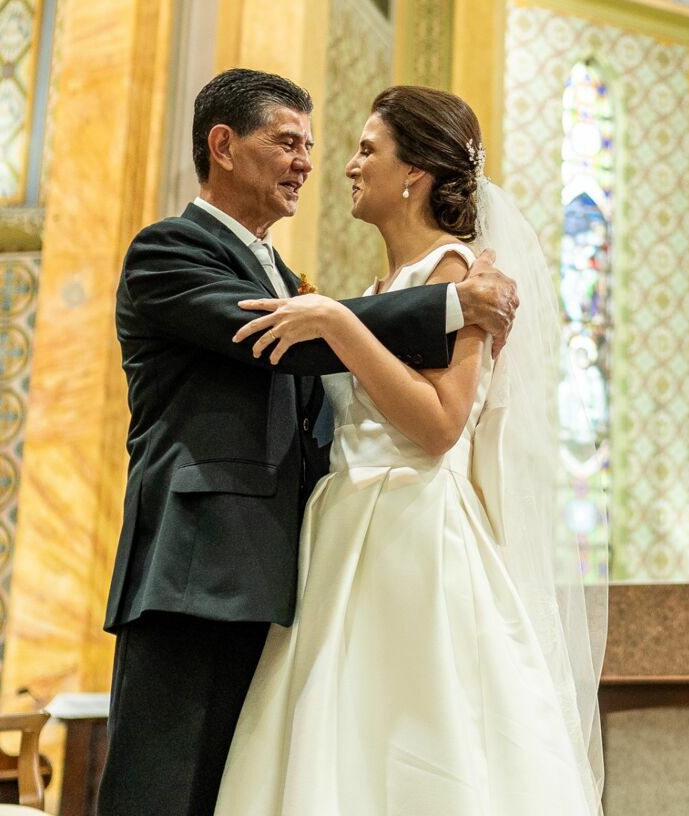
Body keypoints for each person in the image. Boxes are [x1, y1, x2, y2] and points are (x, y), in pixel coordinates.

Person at [95, 69, 522, 816]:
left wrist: (359, 315)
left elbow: (341, 366)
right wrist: (451, 305)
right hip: (196, 569)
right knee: (165, 789)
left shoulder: (297, 281)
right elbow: (287, 340)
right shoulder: (168, 253)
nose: (311, 163)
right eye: (288, 143)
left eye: (317, 145)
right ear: (223, 146)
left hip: (302, 565)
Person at [214, 87, 603, 816]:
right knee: (336, 748)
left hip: (418, 532)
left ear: (413, 174)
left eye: (368, 149)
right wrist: (342, 314)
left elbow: (440, 424)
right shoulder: (380, 290)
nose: (350, 166)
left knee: (419, 740)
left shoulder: (461, 275)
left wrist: (333, 322)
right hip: (341, 533)